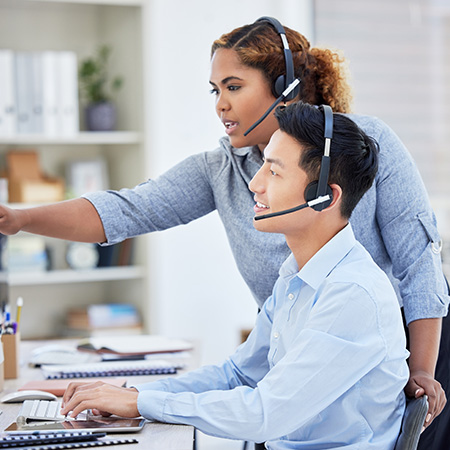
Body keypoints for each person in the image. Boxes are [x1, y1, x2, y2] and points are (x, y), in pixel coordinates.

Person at [0, 17, 448, 446]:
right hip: (289, 370)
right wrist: (19, 219)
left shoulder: (359, 152)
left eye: (233, 87)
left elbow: (418, 260)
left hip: (393, 354)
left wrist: (422, 372)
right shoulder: (275, 253)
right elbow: (130, 210)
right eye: (215, 90)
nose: (219, 104)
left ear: (285, 90)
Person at [61, 102, 410, 449]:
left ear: (324, 197)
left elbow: (265, 414)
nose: (255, 184)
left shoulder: (352, 294)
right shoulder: (296, 277)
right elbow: (237, 375)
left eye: (273, 172)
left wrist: (139, 404)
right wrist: (132, 395)